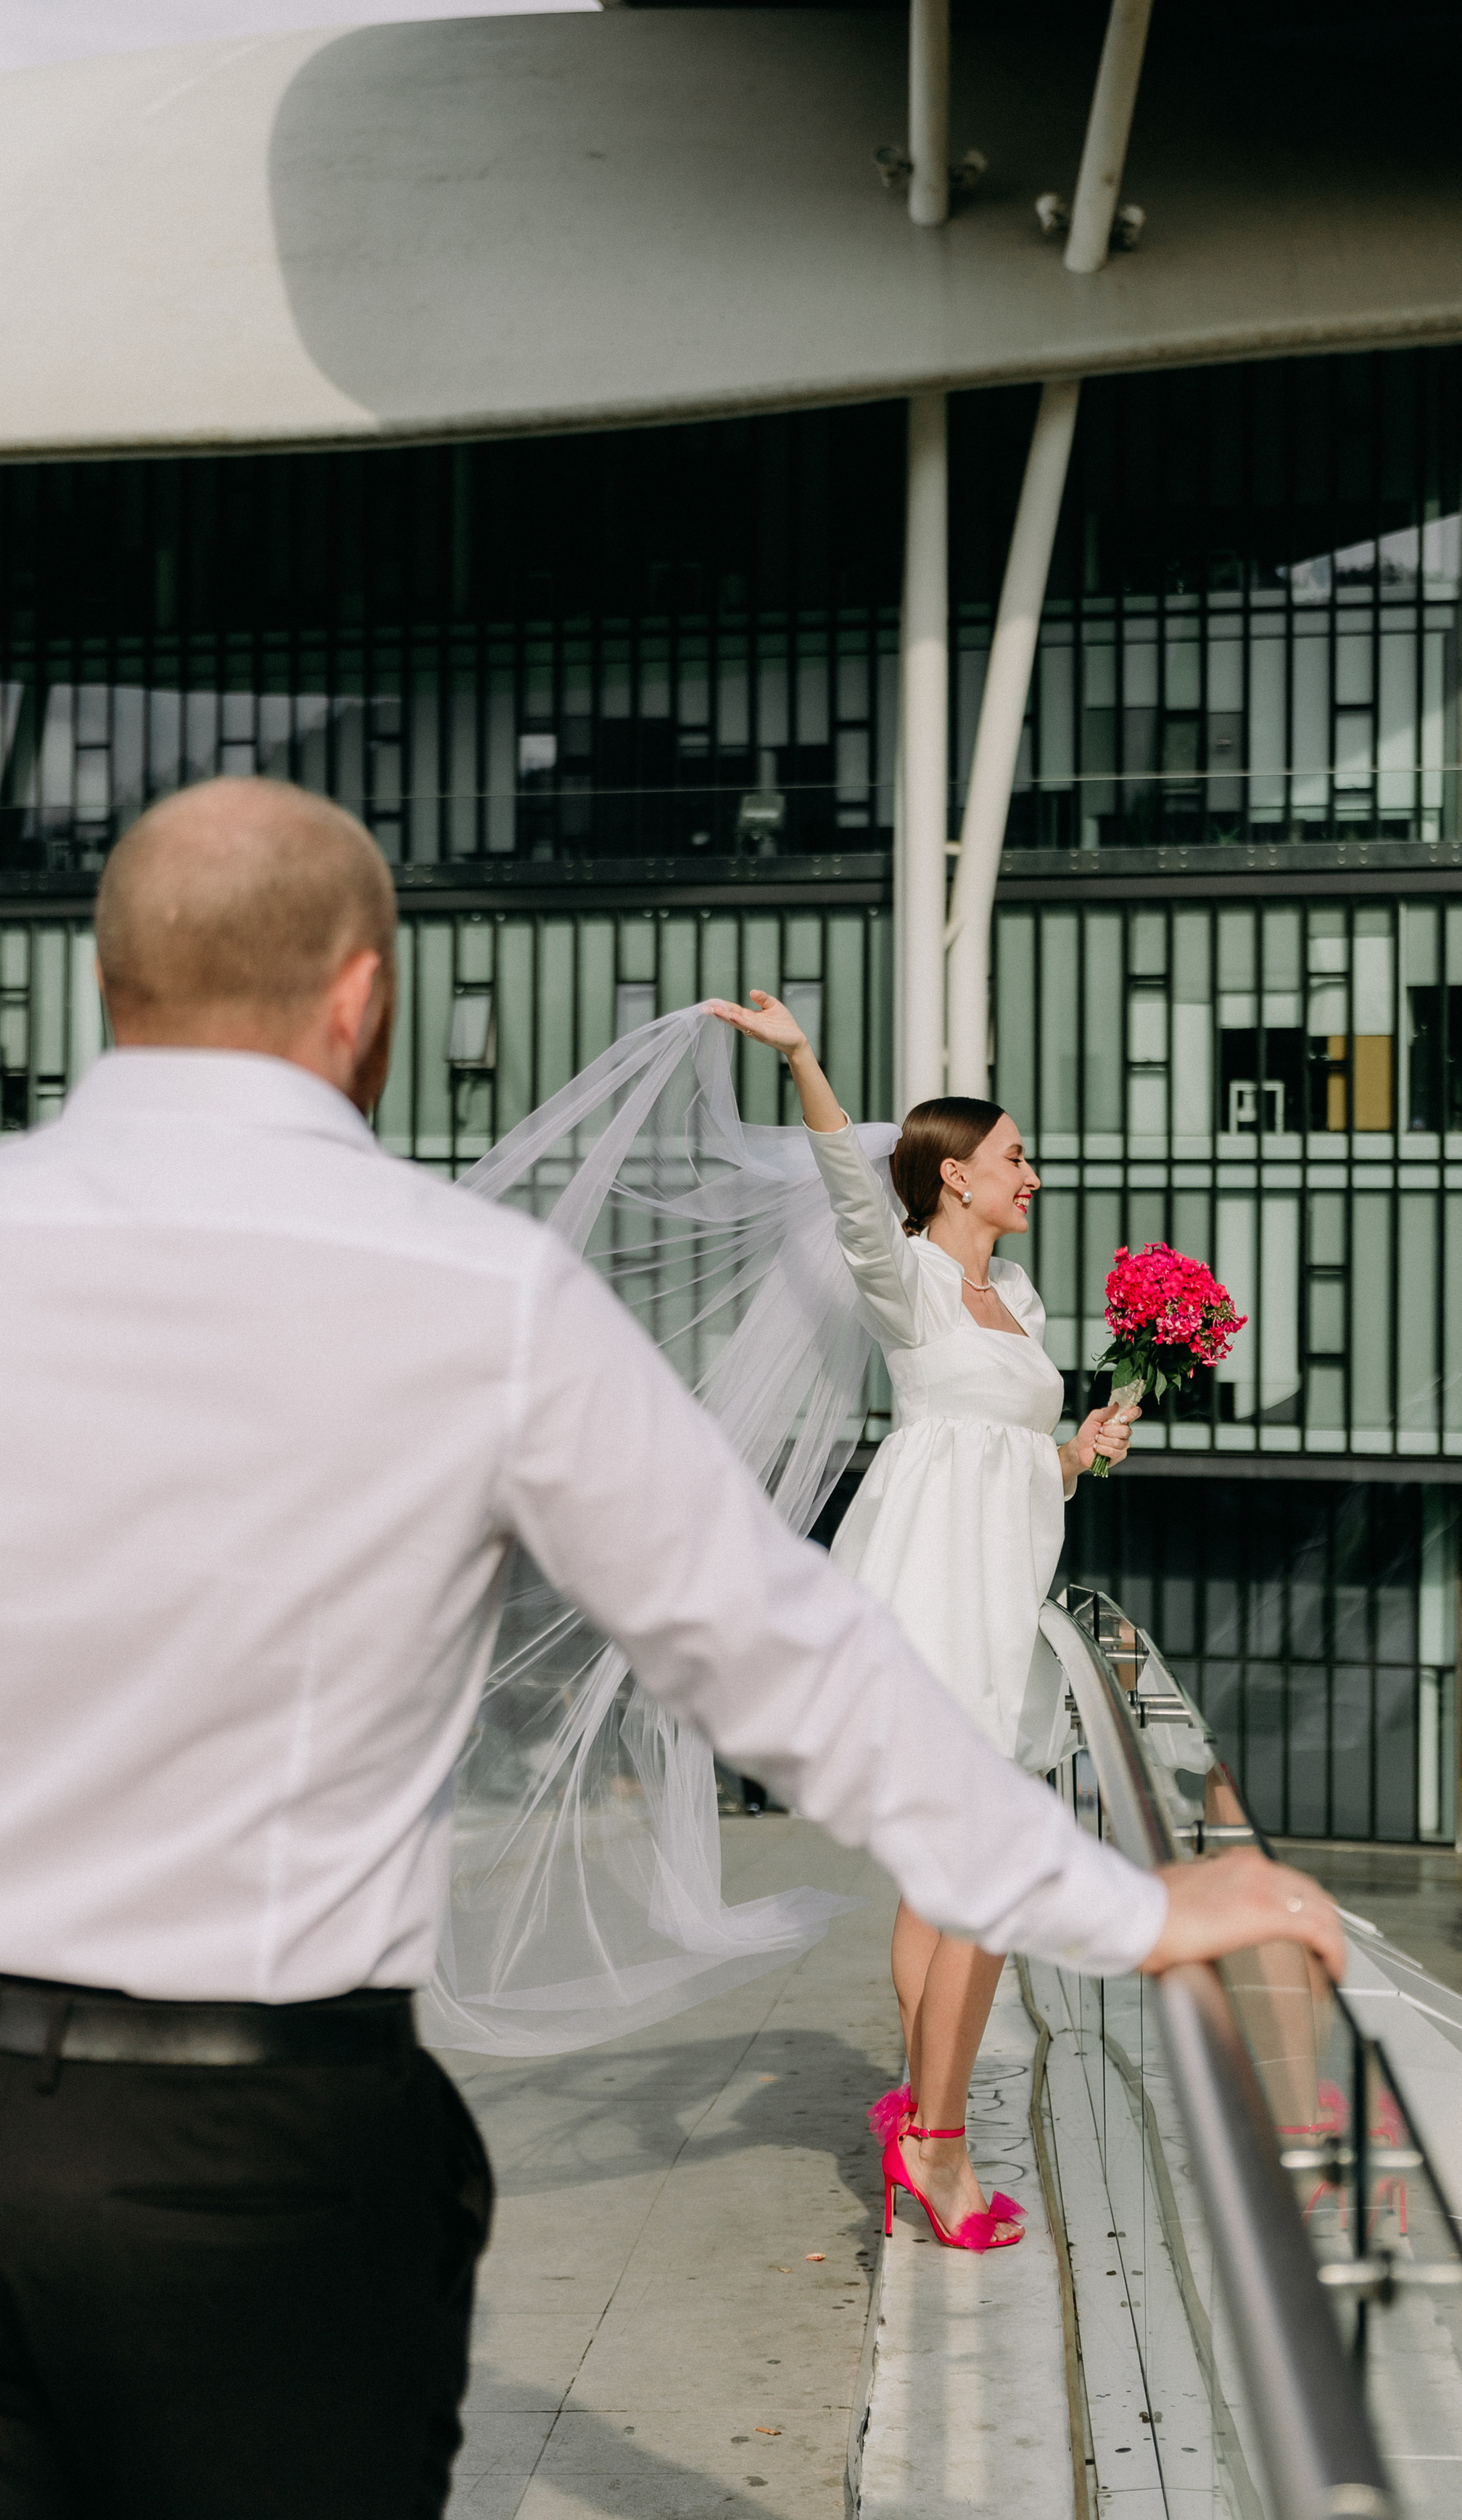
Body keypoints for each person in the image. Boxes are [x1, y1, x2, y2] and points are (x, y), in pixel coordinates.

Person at [0, 775, 1345, 2519]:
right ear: (361, 1002)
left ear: (108, 991)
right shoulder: (478, 1294)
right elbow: (773, 1656)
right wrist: (1134, 1905)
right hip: (263, 2158)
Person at [708, 991, 1141, 2252]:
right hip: (926, 1594)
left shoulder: (1021, 1297)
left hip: (1006, 1584)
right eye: (1016, 1157)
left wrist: (1079, 1451)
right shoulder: (908, 1283)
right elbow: (850, 1179)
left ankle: (924, 2119)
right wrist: (801, 1062)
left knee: (941, 1890)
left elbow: (1016, 1458)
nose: (1035, 1176)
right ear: (955, 1177)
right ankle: (939, 2146)